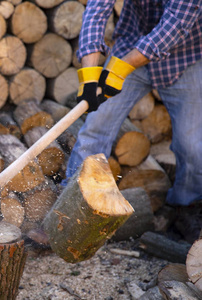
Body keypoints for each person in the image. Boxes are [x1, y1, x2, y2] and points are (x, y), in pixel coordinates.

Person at [65, 1, 202, 242]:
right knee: (96, 127)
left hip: (184, 58)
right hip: (131, 43)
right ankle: (68, 209)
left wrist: (120, 69)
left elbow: (176, 25)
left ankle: (185, 206)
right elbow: (97, 9)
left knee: (191, 146)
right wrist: (89, 77)